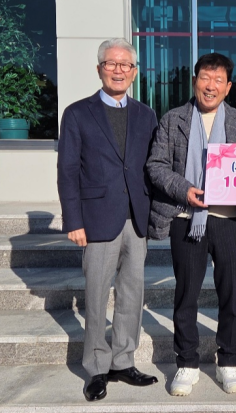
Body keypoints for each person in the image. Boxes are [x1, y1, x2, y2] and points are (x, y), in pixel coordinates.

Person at [57, 38, 159, 402]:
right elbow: (68, 170)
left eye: (125, 65)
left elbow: (151, 166)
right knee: (97, 295)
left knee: (132, 293)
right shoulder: (77, 113)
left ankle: (123, 361)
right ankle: (96, 368)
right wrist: (74, 220)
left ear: (134, 72)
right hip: (97, 218)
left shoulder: (146, 114)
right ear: (99, 69)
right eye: (111, 64)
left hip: (136, 218)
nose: (118, 70)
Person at [146, 53, 236, 397]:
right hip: (186, 218)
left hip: (228, 219)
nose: (211, 86)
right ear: (195, 81)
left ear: (228, 87)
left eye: (218, 80)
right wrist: (184, 190)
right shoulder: (173, 118)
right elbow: (156, 165)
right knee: (186, 293)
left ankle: (228, 361)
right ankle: (187, 363)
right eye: (205, 78)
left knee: (231, 293)